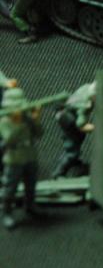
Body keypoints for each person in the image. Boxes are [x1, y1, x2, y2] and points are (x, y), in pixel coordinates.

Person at [0, 88, 43, 230]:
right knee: (10, 188)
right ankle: (7, 213)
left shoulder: (27, 119)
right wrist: (18, 124)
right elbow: (9, 140)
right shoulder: (4, 121)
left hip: (30, 155)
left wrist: (36, 119)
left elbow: (39, 133)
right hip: (14, 158)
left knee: (31, 184)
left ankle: (30, 206)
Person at [52, 82, 96, 178]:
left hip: (67, 116)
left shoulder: (86, 88)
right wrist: (96, 127)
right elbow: (81, 125)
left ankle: (76, 164)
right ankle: (58, 174)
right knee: (72, 151)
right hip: (69, 120)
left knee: (76, 144)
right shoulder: (85, 104)